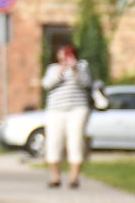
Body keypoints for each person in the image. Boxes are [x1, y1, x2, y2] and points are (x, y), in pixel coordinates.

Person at [39, 41, 98, 188]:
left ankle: (74, 178)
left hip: (77, 110)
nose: (64, 55)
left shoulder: (82, 66)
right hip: (56, 110)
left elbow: (86, 83)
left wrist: (75, 69)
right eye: (62, 52)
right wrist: (62, 71)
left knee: (75, 142)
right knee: (54, 143)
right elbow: (46, 84)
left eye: (67, 52)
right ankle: (55, 177)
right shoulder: (53, 69)